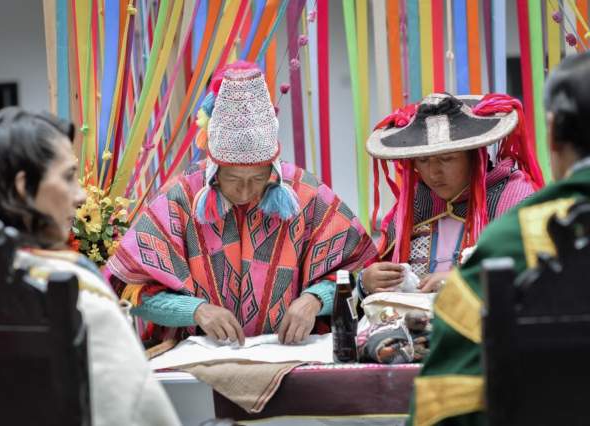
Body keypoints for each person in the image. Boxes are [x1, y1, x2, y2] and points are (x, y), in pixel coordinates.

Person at [104, 61, 377, 346]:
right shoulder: (181, 197)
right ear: (213, 168)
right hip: (198, 360)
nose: (246, 191)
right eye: (233, 178)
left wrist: (314, 299)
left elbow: (360, 274)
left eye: (259, 177)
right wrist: (196, 311)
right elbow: (130, 290)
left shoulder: (305, 194)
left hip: (288, 356)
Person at [0, 107, 181, 426]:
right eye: (67, 176)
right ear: (24, 187)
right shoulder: (78, 298)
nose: (81, 195)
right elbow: (137, 415)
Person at [408, 52, 590, 425]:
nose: (433, 172)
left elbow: (442, 405)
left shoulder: (515, 239)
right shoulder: (415, 207)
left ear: (552, 133)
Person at [359, 93, 544, 297]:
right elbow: (384, 267)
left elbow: (537, 272)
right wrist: (367, 281)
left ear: (474, 155)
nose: (433, 172)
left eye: (447, 158)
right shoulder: (416, 203)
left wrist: (464, 280)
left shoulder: (512, 198)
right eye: (423, 160)